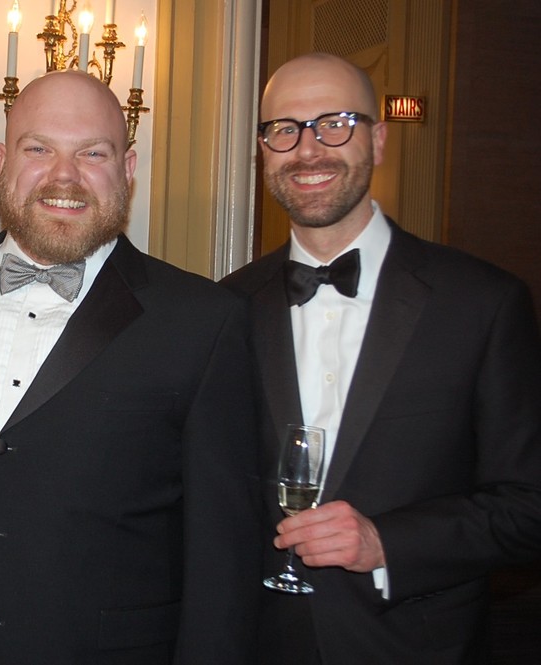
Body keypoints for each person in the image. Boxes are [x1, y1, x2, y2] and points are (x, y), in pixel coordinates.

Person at [0, 70, 261, 664]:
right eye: (38, 149)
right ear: (3, 161)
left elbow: (224, 551)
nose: (64, 176)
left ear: (127, 169)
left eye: (92, 153)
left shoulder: (203, 320)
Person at [222, 52, 541, 664]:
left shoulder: (482, 303)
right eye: (284, 129)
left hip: (417, 646)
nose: (308, 149)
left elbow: (528, 506)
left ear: (379, 139)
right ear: (263, 150)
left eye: (335, 123)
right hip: (262, 644)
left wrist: (385, 542)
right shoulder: (224, 309)